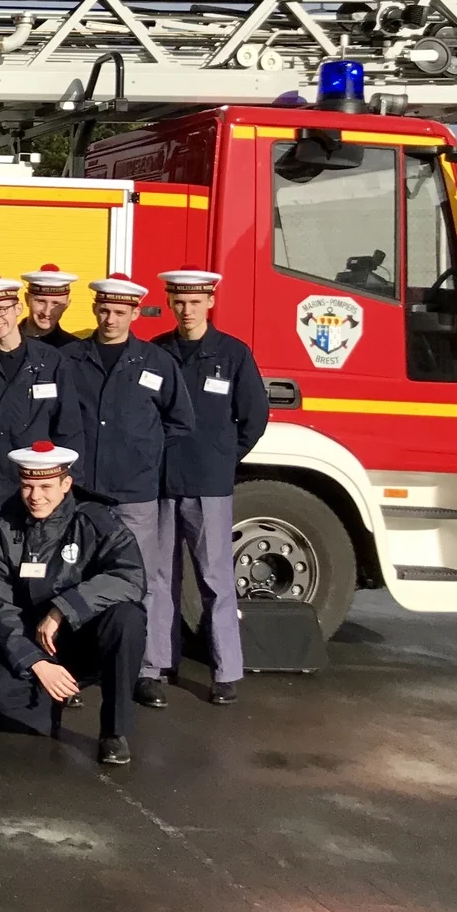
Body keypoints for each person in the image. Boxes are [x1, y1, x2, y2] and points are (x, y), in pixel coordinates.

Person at [59, 273, 197, 713]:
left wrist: (143, 454)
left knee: (147, 580)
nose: (110, 317)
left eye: (120, 311)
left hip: (136, 493)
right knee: (75, 578)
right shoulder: (71, 359)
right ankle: (77, 668)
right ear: (94, 310)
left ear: (135, 313)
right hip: (82, 493)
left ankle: (148, 670)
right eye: (104, 309)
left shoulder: (156, 363)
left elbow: (180, 421)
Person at [0, 441, 147, 766]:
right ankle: (52, 694)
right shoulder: (5, 531)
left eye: (45, 486)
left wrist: (64, 608)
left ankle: (114, 730)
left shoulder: (96, 521)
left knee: (127, 618)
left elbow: (131, 578)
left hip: (87, 638)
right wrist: (35, 662)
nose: (35, 496)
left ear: (66, 484)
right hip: (34, 643)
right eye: (27, 486)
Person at [146, 267, 269, 707]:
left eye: (195, 302)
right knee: (158, 577)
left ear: (209, 303)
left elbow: (254, 417)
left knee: (215, 576)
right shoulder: (156, 352)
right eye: (179, 302)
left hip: (209, 483)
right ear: (171, 303)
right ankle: (156, 664)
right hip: (160, 480)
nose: (186, 310)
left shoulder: (232, 354)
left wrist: (223, 456)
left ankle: (225, 671)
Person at [0, 274, 78, 524]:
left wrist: (63, 487)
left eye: (1, 309)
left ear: (19, 308)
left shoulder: (50, 360)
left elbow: (68, 428)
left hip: (40, 494)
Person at [20, 264, 80, 348]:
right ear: (27, 299)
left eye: (55, 303)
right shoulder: (1, 342)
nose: (46, 312)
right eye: (41, 301)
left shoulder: (75, 349)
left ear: (66, 305)